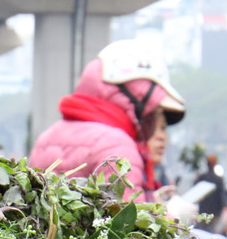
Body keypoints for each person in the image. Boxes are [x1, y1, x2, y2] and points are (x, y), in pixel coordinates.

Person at [28, 39, 187, 207]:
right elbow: (129, 220)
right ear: (134, 98)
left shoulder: (47, 136)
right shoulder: (117, 145)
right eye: (150, 111)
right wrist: (171, 216)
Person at [194, 153, 227, 233]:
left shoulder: (202, 178)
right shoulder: (219, 179)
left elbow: (196, 194)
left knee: (202, 233)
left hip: (203, 210)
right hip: (215, 212)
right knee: (213, 235)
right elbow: (222, 196)